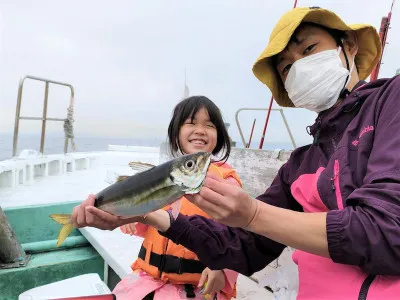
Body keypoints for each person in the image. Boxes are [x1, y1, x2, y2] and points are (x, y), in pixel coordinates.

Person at [72, 6, 400, 299]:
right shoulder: (299, 165)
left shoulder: (391, 101)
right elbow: (244, 247)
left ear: (349, 46)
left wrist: (254, 215)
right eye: (286, 68)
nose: (298, 67)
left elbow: (387, 231)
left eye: (309, 48)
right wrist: (149, 213)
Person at [75, 96, 241, 300]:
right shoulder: (169, 175)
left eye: (210, 125)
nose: (200, 130)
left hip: (196, 287)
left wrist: (222, 268)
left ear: (220, 135)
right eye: (191, 123)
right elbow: (152, 224)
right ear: (176, 133)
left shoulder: (225, 180)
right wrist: (131, 219)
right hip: (147, 281)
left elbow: (238, 232)